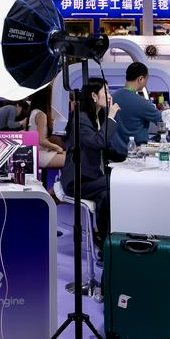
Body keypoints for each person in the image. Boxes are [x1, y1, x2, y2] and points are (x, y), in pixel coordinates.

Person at [60, 78, 125, 248]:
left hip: (93, 178)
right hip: (78, 181)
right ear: (94, 96)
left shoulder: (98, 116)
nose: (110, 96)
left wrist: (128, 158)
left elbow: (107, 148)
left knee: (106, 196)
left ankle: (106, 243)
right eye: (106, 92)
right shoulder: (81, 118)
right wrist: (111, 118)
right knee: (117, 182)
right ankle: (107, 242)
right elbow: (98, 142)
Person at [112, 62, 170, 149]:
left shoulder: (112, 97)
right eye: (146, 79)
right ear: (140, 79)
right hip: (134, 151)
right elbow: (164, 121)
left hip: (113, 152)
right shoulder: (141, 102)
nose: (146, 83)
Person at [26, 86, 64, 170]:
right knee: (71, 160)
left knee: (69, 156)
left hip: (35, 153)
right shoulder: (41, 115)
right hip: (39, 155)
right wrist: (56, 147)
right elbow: (41, 140)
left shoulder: (34, 111)